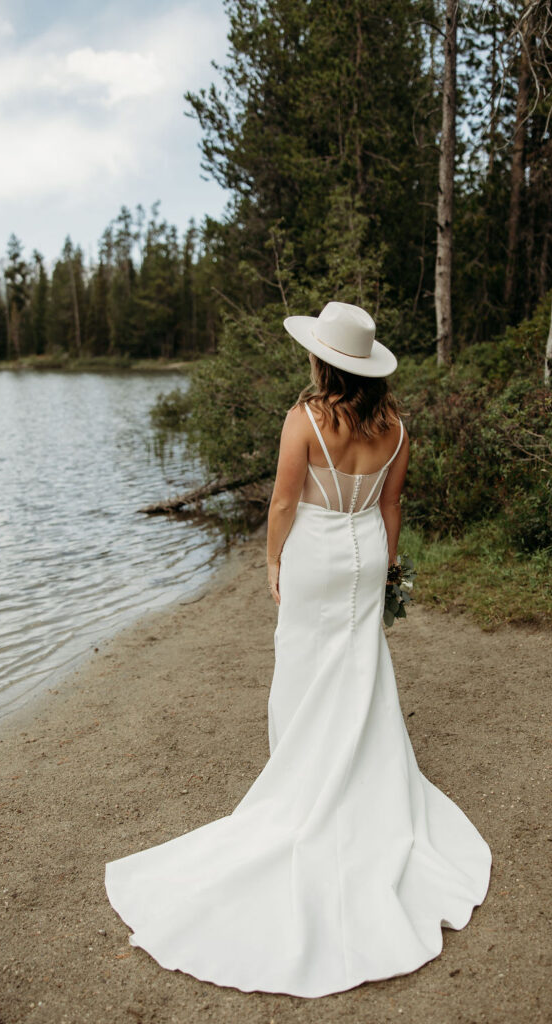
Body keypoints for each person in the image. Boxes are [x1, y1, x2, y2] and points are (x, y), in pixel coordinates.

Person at [104, 301, 492, 999]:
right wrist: (385, 568)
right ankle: (357, 777)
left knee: (304, 669)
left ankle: (303, 780)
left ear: (322, 360)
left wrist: (272, 562)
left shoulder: (305, 418)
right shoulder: (395, 428)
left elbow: (283, 502)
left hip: (314, 548)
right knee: (361, 666)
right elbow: (390, 507)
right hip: (366, 551)